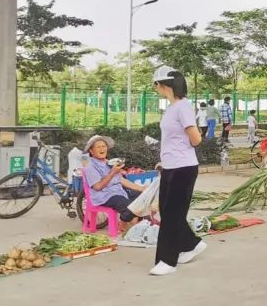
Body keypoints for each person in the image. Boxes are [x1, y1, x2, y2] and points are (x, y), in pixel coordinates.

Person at [150, 66, 205, 276]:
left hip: (183, 168)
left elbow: (196, 138)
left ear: (163, 85)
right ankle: (191, 244)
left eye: (156, 85)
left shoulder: (182, 107)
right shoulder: (172, 107)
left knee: (172, 215)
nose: (155, 88)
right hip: (171, 167)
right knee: (168, 212)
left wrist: (179, 152)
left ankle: (167, 260)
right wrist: (165, 161)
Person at [82, 134, 148, 231]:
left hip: (119, 192)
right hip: (104, 196)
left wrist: (141, 188)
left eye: (104, 146)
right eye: (98, 147)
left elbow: (121, 180)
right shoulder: (90, 167)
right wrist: (112, 172)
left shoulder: (110, 162)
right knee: (131, 207)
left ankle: (126, 222)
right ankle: (127, 223)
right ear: (91, 151)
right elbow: (97, 186)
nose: (102, 149)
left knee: (144, 198)